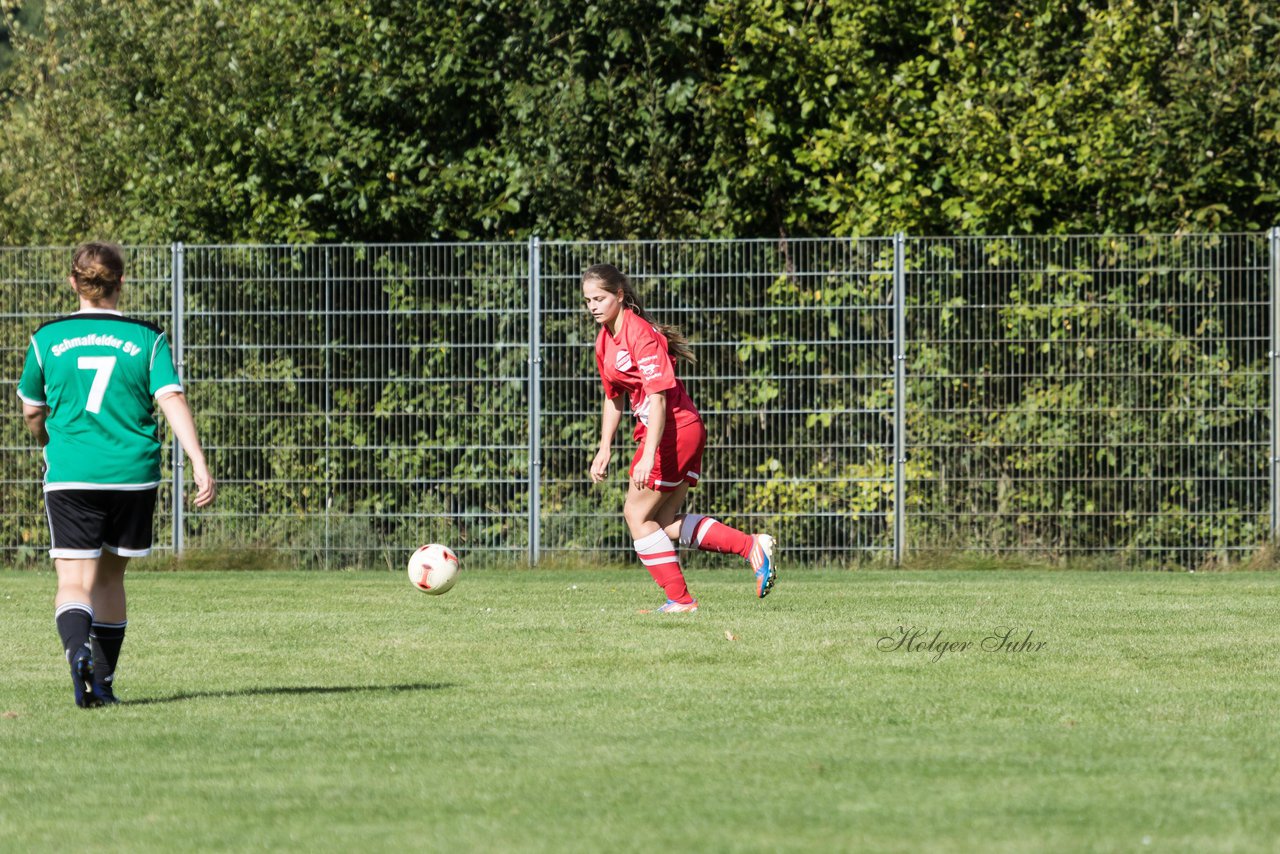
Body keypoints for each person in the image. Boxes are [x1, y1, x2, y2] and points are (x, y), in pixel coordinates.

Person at [17, 242, 216, 708]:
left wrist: (46, 438)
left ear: (74, 282)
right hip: (132, 476)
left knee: (73, 582)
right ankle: (102, 686)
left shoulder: (47, 338)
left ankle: (76, 652)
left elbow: (30, 410)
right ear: (120, 282)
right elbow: (172, 400)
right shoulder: (148, 338)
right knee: (109, 580)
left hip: (71, 474)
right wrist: (198, 461)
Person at [583, 263, 775, 612]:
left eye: (600, 298)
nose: (593, 306)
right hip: (676, 430)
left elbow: (657, 398)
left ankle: (680, 599)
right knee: (664, 523)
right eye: (588, 301)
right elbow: (614, 397)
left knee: (636, 516)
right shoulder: (604, 341)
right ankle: (751, 547)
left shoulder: (640, 334)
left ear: (620, 296)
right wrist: (604, 447)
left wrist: (647, 453)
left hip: (674, 431)